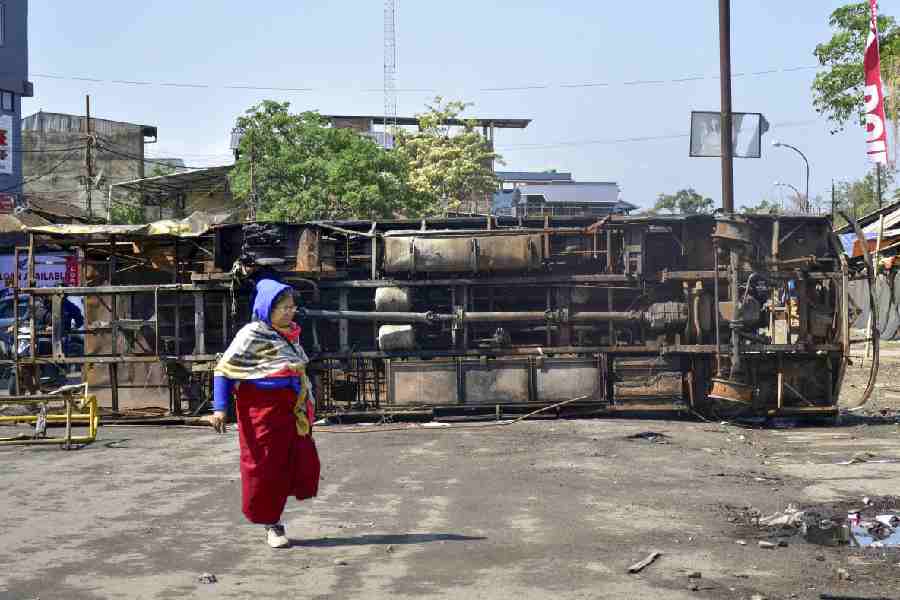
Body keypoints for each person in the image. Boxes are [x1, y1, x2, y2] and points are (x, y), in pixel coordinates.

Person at [209, 279, 320, 548]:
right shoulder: (251, 334)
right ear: (266, 308)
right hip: (261, 410)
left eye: (292, 307)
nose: (289, 312)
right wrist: (220, 409)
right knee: (265, 467)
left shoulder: (291, 334)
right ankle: (272, 524)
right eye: (283, 307)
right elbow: (224, 370)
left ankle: (276, 513)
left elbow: (295, 368)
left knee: (296, 461)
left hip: (291, 411)